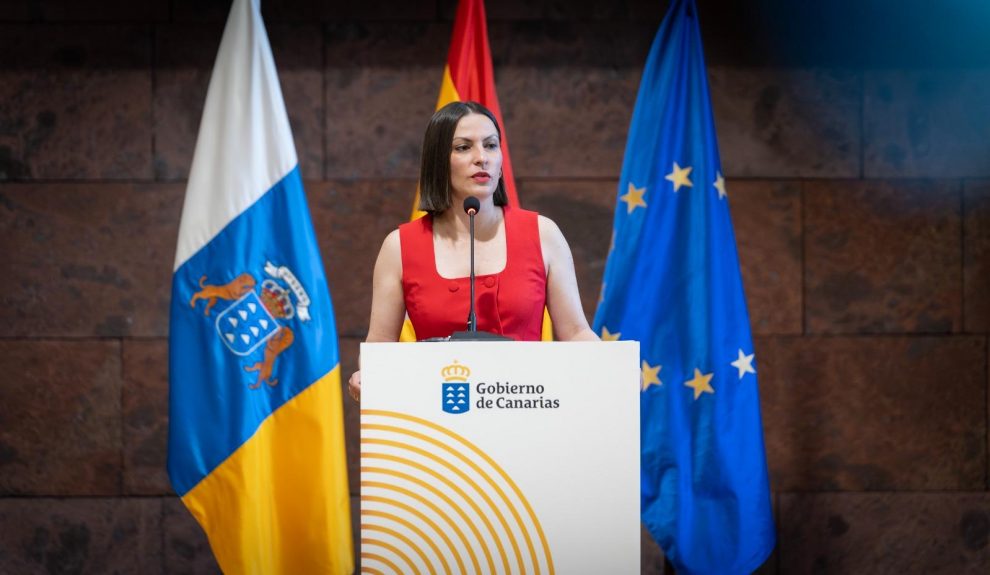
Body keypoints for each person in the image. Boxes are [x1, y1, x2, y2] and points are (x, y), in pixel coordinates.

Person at [348, 101, 598, 401]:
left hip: (529, 410)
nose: (482, 158)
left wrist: (614, 369)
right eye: (463, 148)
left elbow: (575, 332)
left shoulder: (543, 233)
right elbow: (380, 345)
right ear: (438, 160)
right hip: (438, 418)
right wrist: (368, 376)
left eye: (491, 145)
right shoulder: (400, 246)